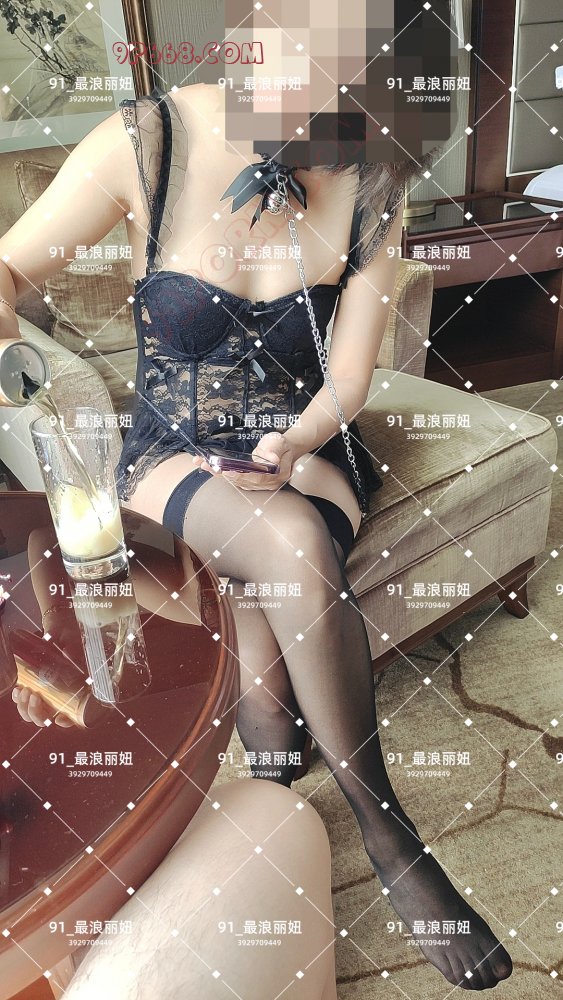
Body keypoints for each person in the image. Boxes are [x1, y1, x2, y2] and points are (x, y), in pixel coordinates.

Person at [3, 82, 512, 990]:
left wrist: (292, 443)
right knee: (287, 556)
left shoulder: (375, 172)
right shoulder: (153, 140)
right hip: (171, 446)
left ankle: (314, 785)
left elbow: (346, 379)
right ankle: (382, 828)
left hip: (304, 444)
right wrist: (13, 362)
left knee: (275, 564)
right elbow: (6, 270)